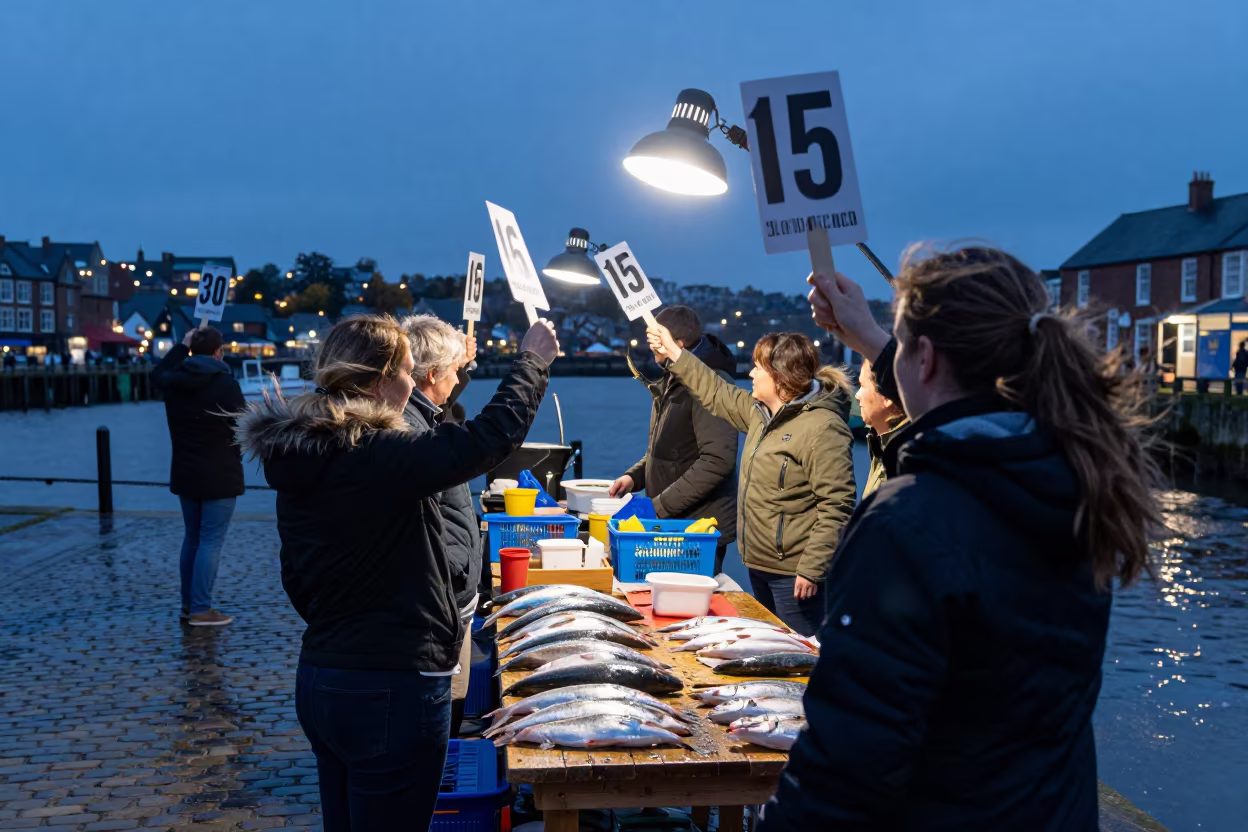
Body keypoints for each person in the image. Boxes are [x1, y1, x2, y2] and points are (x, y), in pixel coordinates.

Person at [756, 247, 1162, 831]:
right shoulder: (1074, 482)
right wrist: (872, 334)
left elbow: (847, 764)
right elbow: (957, 395)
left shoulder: (908, 523)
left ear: (924, 359)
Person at [236, 314, 558, 831]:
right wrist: (532, 362)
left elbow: (295, 575)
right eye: (408, 371)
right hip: (393, 686)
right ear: (381, 379)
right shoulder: (373, 453)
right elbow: (482, 442)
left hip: (323, 677)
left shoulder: (304, 451)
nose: (413, 382)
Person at [646, 326, 856, 636]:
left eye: (759, 367)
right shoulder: (761, 413)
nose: (752, 373)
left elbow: (837, 505)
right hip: (759, 566)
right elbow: (715, 391)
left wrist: (813, 568)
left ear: (780, 376)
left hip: (795, 578)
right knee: (770, 649)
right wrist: (674, 354)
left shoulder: (823, 428)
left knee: (801, 658)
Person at [398, 315, 480, 739]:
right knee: (437, 728)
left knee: (449, 715)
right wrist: (532, 366)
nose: (457, 378)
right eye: (452, 372)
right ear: (430, 374)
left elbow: (442, 403)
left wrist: (459, 366)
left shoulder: (422, 415)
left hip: (449, 603)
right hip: (437, 613)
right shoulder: (409, 432)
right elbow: (488, 439)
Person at [611, 306, 739, 575]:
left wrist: (657, 507)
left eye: (657, 340)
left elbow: (717, 461)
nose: (651, 346)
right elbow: (670, 448)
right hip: (670, 522)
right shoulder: (673, 376)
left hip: (697, 530)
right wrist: (635, 477)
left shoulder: (711, 384)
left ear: (677, 343)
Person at [152, 326, 245, 627]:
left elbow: (158, 371)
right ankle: (202, 609)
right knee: (210, 542)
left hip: (186, 471)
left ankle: (188, 605)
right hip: (220, 472)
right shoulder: (226, 385)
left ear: (192, 349)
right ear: (220, 352)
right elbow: (243, 426)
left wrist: (181, 345)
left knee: (192, 538)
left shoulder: (174, 382)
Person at [856, 358, 908, 498]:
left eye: (863, 386)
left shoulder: (903, 460)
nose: (857, 395)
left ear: (886, 398)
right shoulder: (883, 446)